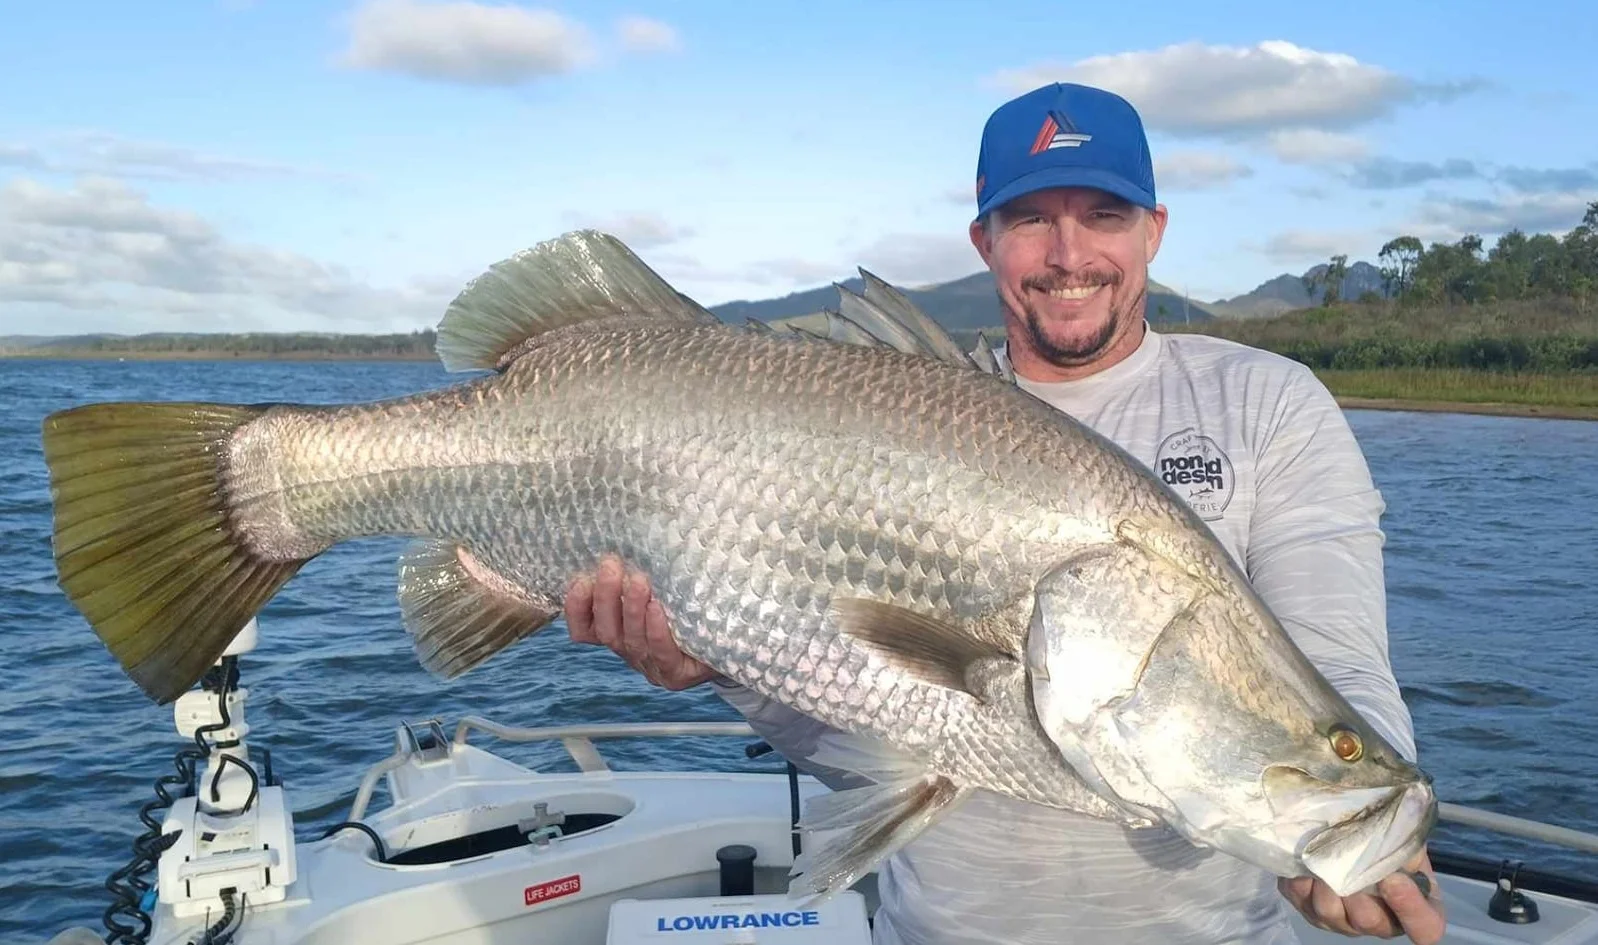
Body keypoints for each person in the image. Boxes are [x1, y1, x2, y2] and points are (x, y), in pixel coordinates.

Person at [564, 81, 1446, 945]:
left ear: (1154, 229)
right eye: (1030, 219)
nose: (1069, 254)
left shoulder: (1269, 403)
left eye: (1104, 214)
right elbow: (846, 724)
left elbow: (1337, 659)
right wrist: (722, 664)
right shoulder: (891, 401)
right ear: (984, 240)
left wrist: (1367, 823)